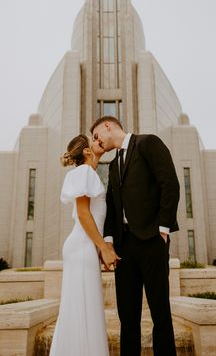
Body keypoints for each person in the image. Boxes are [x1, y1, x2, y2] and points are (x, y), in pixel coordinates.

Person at [91, 116, 180, 356]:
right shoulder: (111, 165)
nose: (96, 142)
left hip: (152, 240)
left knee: (160, 312)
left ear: (107, 126)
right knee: (127, 317)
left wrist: (163, 229)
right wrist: (108, 243)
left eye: (97, 135)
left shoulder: (148, 143)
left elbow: (169, 183)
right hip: (124, 247)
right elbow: (112, 204)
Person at [49, 134, 120, 356]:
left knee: (83, 309)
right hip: (81, 245)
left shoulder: (87, 173)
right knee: (82, 309)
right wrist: (105, 248)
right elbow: (83, 213)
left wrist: (99, 247)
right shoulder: (85, 172)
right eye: (94, 139)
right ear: (87, 152)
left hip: (84, 246)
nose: (99, 140)